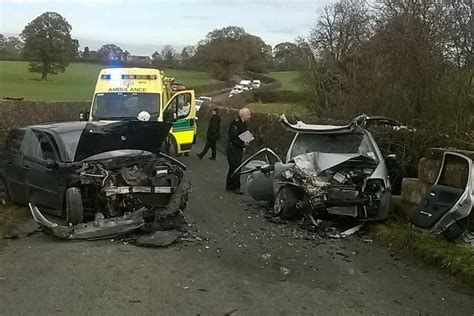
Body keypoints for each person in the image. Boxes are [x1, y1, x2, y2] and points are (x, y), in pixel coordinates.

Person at [226, 107, 252, 194]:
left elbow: (244, 134)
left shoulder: (243, 124)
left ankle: (229, 185)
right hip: (233, 148)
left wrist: (246, 142)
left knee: (233, 167)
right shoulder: (235, 123)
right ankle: (236, 187)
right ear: (243, 115)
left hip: (238, 148)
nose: (250, 116)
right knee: (236, 167)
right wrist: (242, 144)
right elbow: (234, 138)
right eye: (248, 114)